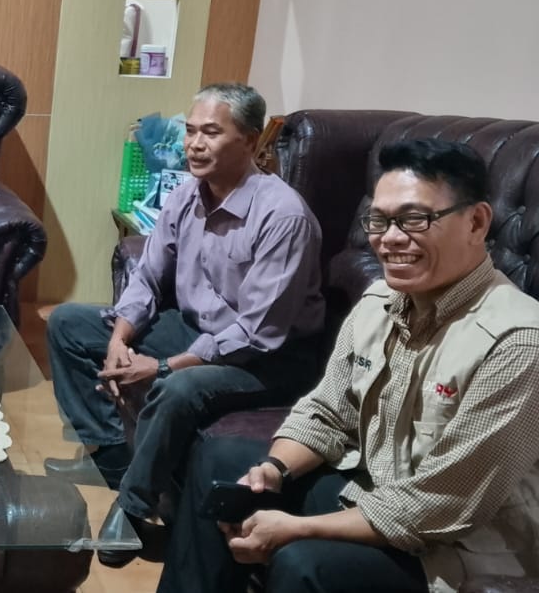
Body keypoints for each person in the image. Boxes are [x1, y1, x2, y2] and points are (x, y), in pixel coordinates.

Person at [159, 138, 539, 593]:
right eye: (379, 220)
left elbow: (440, 505)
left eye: (414, 219)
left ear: (476, 222)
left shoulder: (518, 342)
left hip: (462, 548)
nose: (390, 238)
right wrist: (275, 469)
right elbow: (327, 412)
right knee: (220, 461)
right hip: (377, 492)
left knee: (303, 562)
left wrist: (297, 529)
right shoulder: (380, 301)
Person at [45, 83, 325, 566]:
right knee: (69, 323)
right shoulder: (185, 196)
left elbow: (257, 332)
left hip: (269, 356)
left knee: (178, 388)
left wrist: (161, 367)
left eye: (210, 133)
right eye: (191, 131)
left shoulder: (283, 216)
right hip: (200, 330)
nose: (194, 144)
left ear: (250, 140)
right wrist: (119, 338)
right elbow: (147, 276)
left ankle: (133, 507)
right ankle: (112, 458)